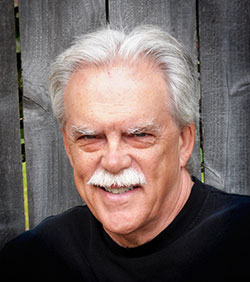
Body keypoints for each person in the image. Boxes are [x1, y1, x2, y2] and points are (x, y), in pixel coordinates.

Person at [1, 25, 250, 282]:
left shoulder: (241, 241)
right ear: (68, 145)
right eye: (90, 137)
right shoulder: (31, 261)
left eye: (139, 135)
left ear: (183, 142)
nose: (113, 161)